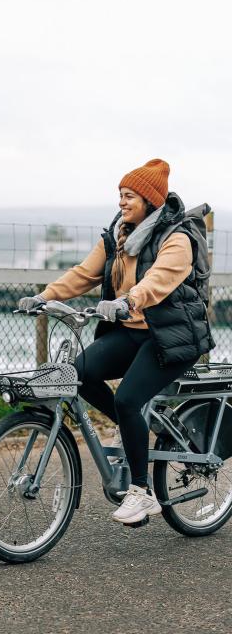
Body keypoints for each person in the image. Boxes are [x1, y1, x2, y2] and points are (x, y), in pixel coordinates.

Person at [18, 159, 214, 525]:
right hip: (133, 332)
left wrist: (128, 301)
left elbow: (158, 281)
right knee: (78, 373)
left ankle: (141, 493)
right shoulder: (118, 237)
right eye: (120, 195)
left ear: (150, 200)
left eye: (130, 196)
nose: (122, 202)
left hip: (173, 337)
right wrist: (44, 297)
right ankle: (133, 426)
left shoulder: (178, 238)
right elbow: (84, 274)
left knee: (127, 398)